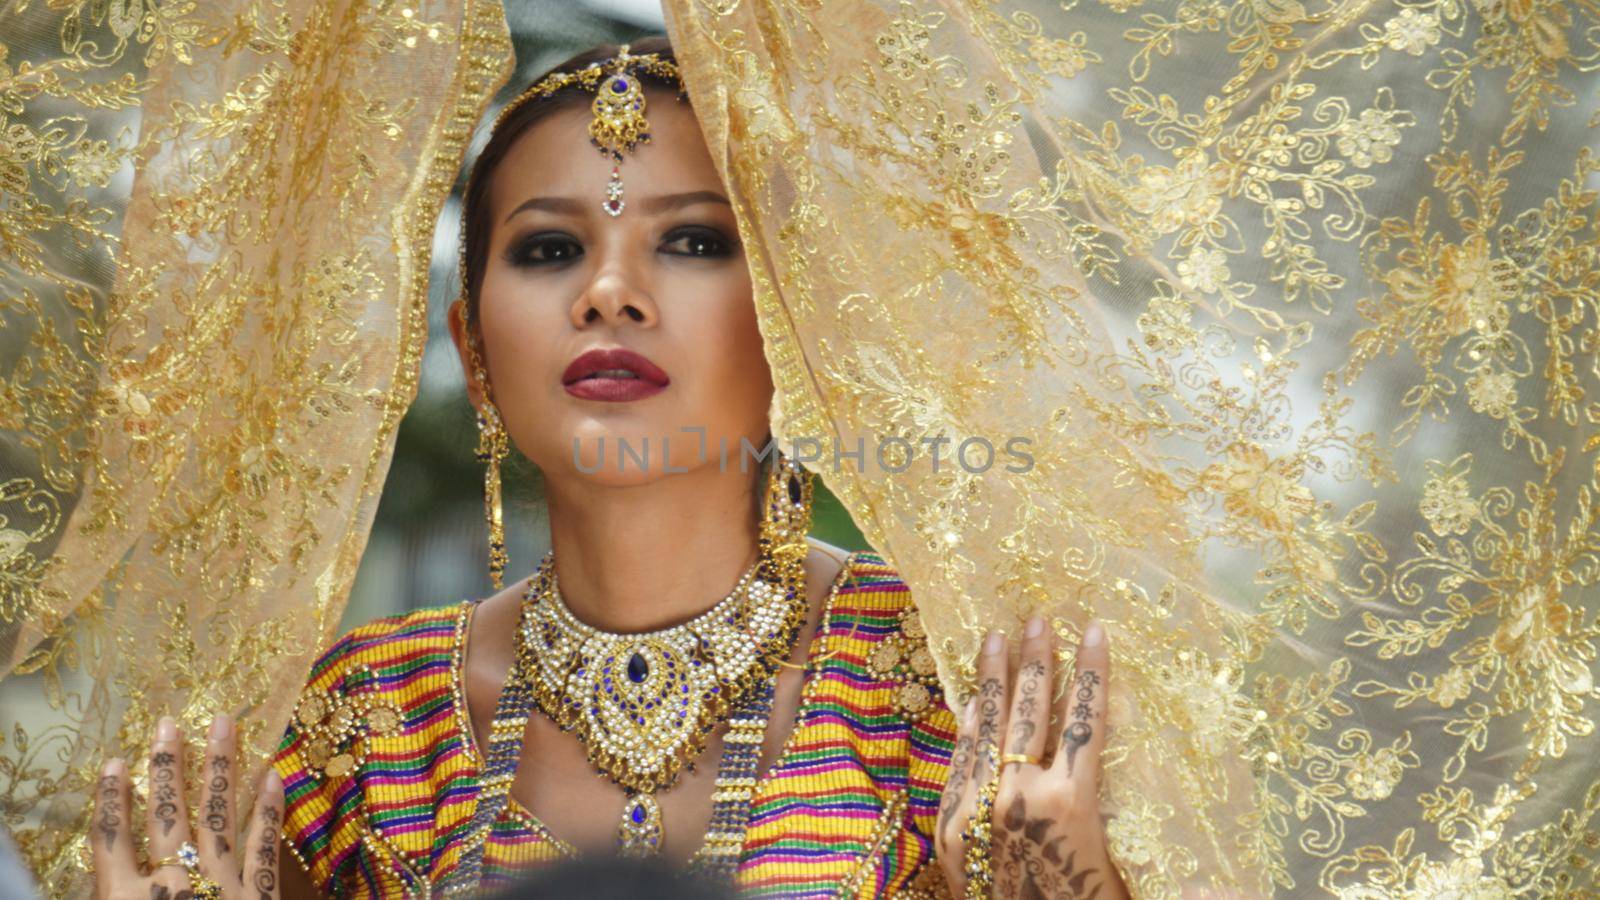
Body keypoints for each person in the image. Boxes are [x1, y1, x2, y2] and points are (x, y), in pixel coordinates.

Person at [89, 38, 1129, 899]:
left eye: (690, 241)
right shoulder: (365, 723)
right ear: (475, 347)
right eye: (547, 251)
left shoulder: (957, 694)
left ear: (800, 326)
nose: (610, 293)